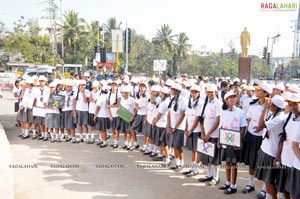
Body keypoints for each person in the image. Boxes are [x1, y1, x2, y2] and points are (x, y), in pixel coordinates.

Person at [242, 83, 273, 195]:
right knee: (251, 161)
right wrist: (245, 134)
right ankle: (251, 184)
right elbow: (248, 120)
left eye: (260, 90)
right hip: (251, 136)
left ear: (265, 93)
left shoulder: (270, 108)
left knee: (262, 163)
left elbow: (266, 124)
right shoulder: (253, 104)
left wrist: (260, 127)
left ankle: (264, 189)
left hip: (262, 138)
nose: (257, 91)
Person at [254, 95, 286, 199]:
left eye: (270, 103)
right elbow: (262, 126)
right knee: (266, 180)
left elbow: (262, 124)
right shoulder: (274, 115)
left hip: (271, 153)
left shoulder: (279, 118)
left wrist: (265, 108)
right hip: (266, 150)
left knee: (269, 181)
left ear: (275, 107)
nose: (268, 104)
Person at [218, 90, 247, 194]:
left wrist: (239, 142)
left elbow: (243, 128)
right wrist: (219, 140)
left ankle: (233, 186)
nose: (233, 99)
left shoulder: (240, 112)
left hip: (235, 142)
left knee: (233, 163)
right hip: (225, 141)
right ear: (226, 100)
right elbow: (221, 127)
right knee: (227, 162)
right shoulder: (223, 112)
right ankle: (227, 182)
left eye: (234, 97)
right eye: (230, 97)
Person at [199, 84, 222, 186]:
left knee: (215, 158)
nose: (209, 94)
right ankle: (209, 175)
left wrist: (208, 134)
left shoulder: (218, 103)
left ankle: (216, 177)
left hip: (214, 134)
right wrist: (203, 133)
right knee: (207, 156)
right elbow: (203, 119)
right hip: (206, 134)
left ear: (215, 93)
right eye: (208, 92)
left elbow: (218, 121)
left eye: (211, 92)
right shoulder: (206, 102)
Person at [182, 84, 203, 176]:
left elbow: (197, 118)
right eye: (192, 92)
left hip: (197, 129)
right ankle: (192, 167)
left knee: (197, 149)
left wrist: (191, 130)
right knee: (193, 150)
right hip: (190, 129)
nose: (194, 93)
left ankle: (196, 168)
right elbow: (187, 116)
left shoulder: (201, 103)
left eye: (196, 92)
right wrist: (186, 128)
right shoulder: (189, 101)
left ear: (199, 93)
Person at [167, 83, 187, 171]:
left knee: (178, 146)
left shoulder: (183, 100)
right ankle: (177, 163)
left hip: (179, 127)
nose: (171, 91)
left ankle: (181, 163)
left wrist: (176, 126)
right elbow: (169, 113)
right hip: (172, 126)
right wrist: (169, 125)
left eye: (172, 90)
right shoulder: (173, 99)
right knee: (174, 146)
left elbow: (183, 115)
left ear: (176, 91)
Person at [151, 86, 171, 165]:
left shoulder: (163, 103)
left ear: (164, 94)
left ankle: (167, 159)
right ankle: (160, 155)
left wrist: (154, 122)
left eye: (161, 93)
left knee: (163, 143)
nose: (160, 95)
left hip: (162, 124)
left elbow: (159, 115)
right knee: (162, 142)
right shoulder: (169, 101)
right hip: (165, 124)